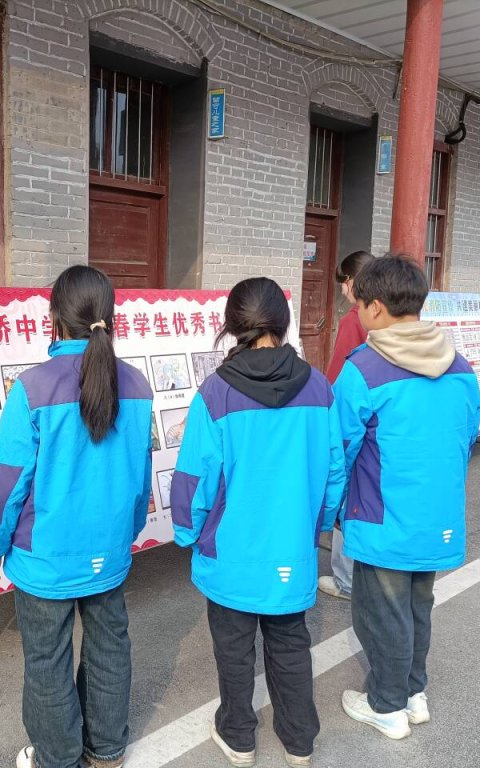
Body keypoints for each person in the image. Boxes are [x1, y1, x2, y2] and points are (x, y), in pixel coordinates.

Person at [0, 265, 154, 768]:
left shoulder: (32, 388)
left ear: (54, 318)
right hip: (109, 552)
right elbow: (140, 477)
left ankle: (57, 758)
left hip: (45, 558)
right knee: (109, 648)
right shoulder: (137, 385)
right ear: (110, 318)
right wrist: (127, 532)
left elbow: (7, 482)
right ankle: (107, 749)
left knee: (47, 662)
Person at [170, 277, 346, 767]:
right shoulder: (319, 387)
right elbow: (335, 470)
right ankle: (299, 741)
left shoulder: (216, 393)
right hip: (292, 548)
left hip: (230, 552)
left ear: (232, 326)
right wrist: (318, 525)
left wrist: (187, 532)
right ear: (283, 323)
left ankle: (239, 737)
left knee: (234, 649)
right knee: (291, 642)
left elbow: (194, 477)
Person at [332, 255, 480, 740]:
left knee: (381, 611)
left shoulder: (363, 369)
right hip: (439, 513)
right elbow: (467, 434)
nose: (358, 314)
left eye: (360, 305)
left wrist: (330, 510)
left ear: (375, 307)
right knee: (419, 605)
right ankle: (414, 691)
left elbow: (338, 450)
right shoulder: (460, 367)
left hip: (382, 514)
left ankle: (387, 704)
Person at [319, 249, 375, 602]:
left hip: (351, 416)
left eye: (344, 282)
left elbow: (339, 374)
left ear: (355, 281)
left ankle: (345, 579)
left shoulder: (356, 319)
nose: (342, 290)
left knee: (346, 492)